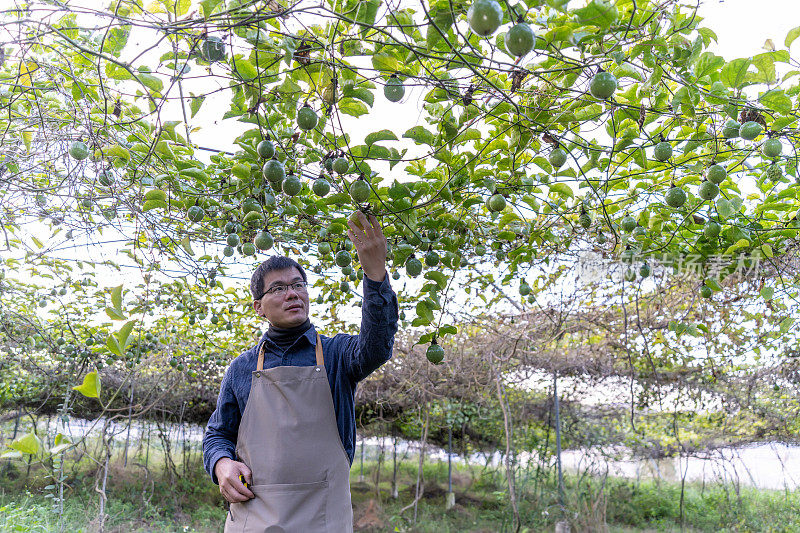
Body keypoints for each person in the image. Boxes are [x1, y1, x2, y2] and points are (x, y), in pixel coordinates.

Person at [202, 211, 398, 532]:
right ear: (258, 307)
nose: (292, 293)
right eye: (278, 288)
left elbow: (376, 347)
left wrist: (375, 275)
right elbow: (219, 434)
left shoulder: (337, 355)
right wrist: (221, 464)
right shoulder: (242, 368)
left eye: (298, 285)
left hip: (324, 518)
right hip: (255, 516)